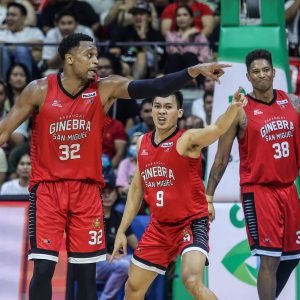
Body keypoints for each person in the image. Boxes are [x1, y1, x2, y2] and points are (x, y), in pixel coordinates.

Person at [0, 32, 230, 300]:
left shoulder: (104, 88)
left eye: (96, 54)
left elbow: (154, 88)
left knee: (85, 272)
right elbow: (4, 131)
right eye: (89, 55)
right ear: (69, 59)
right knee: (43, 267)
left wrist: (192, 71)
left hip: (87, 192)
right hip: (48, 190)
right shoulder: (38, 90)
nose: (96, 61)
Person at [111, 89, 247, 300]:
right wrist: (121, 231)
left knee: (191, 281)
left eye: (168, 107)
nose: (162, 112)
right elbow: (137, 189)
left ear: (180, 112)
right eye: (158, 106)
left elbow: (217, 128)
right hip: (159, 226)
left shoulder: (187, 140)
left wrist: (233, 108)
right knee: (133, 288)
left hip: (191, 223)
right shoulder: (142, 143)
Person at [206, 49, 300, 300]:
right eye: (256, 72)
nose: (261, 75)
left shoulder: (290, 101)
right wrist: (208, 197)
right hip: (260, 192)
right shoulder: (238, 110)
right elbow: (221, 158)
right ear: (248, 77)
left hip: (289, 189)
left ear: (274, 72)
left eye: (265, 70)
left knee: (292, 258)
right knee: (269, 260)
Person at [96, 174, 138, 300]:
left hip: (118, 260)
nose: (107, 195)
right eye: (103, 192)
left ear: (116, 193)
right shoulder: (92, 216)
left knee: (141, 264)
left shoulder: (119, 217)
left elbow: (135, 244)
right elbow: (87, 247)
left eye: (110, 191)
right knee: (124, 266)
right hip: (96, 264)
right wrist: (107, 256)